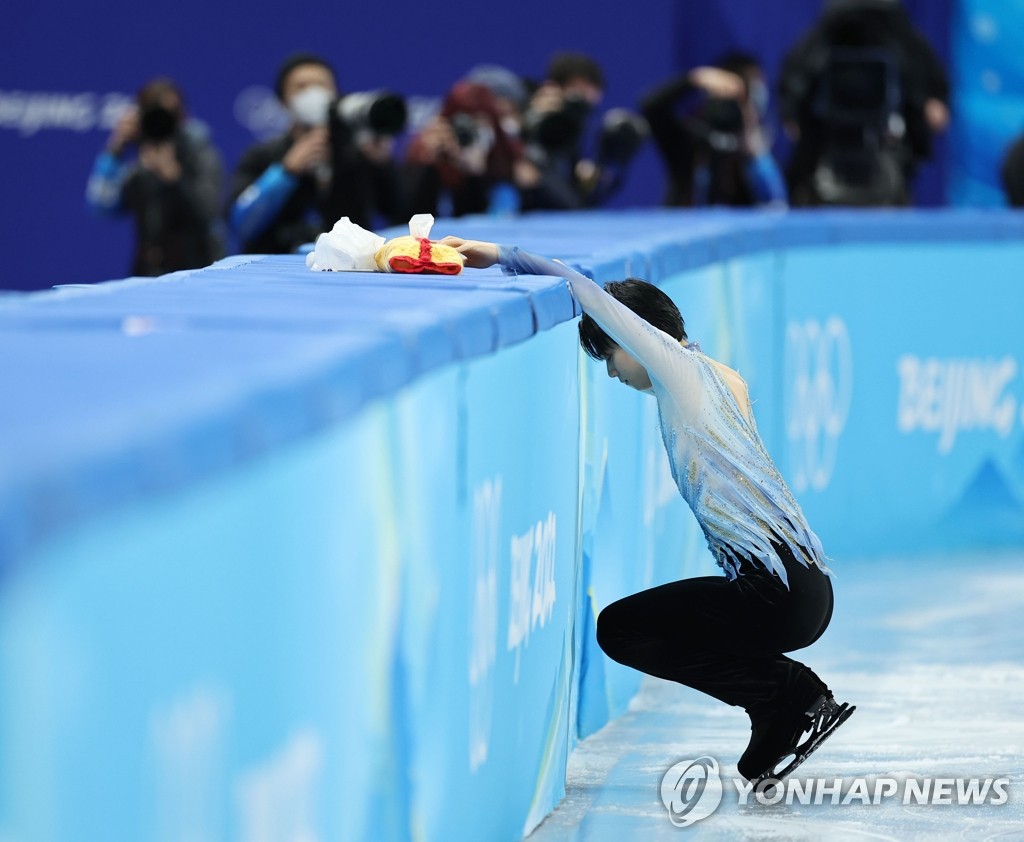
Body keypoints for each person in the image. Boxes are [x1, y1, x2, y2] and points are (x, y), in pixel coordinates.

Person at [437, 234, 855, 786]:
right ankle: (777, 707)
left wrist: (498, 255)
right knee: (656, 625)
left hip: (773, 595)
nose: (609, 371)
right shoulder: (717, 376)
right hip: (807, 590)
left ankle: (790, 694)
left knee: (622, 630)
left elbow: (586, 290)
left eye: (608, 351)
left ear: (635, 337)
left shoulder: (679, 372)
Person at [229, 53, 405, 254]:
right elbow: (240, 226)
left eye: (321, 85)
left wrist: (382, 166)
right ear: (282, 99)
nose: (313, 93)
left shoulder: (358, 154)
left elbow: (400, 214)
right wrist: (284, 173)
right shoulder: (261, 156)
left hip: (350, 270)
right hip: (276, 268)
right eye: (301, 87)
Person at [778, 0, 950, 206]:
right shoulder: (821, 41)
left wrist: (930, 105)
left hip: (887, 156)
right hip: (824, 155)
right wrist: (793, 113)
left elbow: (928, 90)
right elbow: (796, 83)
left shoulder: (902, 40)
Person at [86, 77, 224, 276]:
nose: (163, 121)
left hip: (198, 274)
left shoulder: (201, 154)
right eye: (154, 112)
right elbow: (101, 205)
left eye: (171, 113)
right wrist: (115, 148)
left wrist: (175, 177)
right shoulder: (139, 167)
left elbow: (210, 213)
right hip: (147, 276)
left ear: (184, 115)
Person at [640, 53, 787, 207]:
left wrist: (754, 154)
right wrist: (696, 78)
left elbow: (777, 207)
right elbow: (651, 107)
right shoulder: (690, 140)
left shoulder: (755, 155)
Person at [403, 81, 526, 217]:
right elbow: (406, 219)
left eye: (481, 121)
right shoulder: (432, 160)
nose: (472, 132)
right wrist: (425, 165)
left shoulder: (507, 160)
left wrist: (476, 175)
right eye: (465, 123)